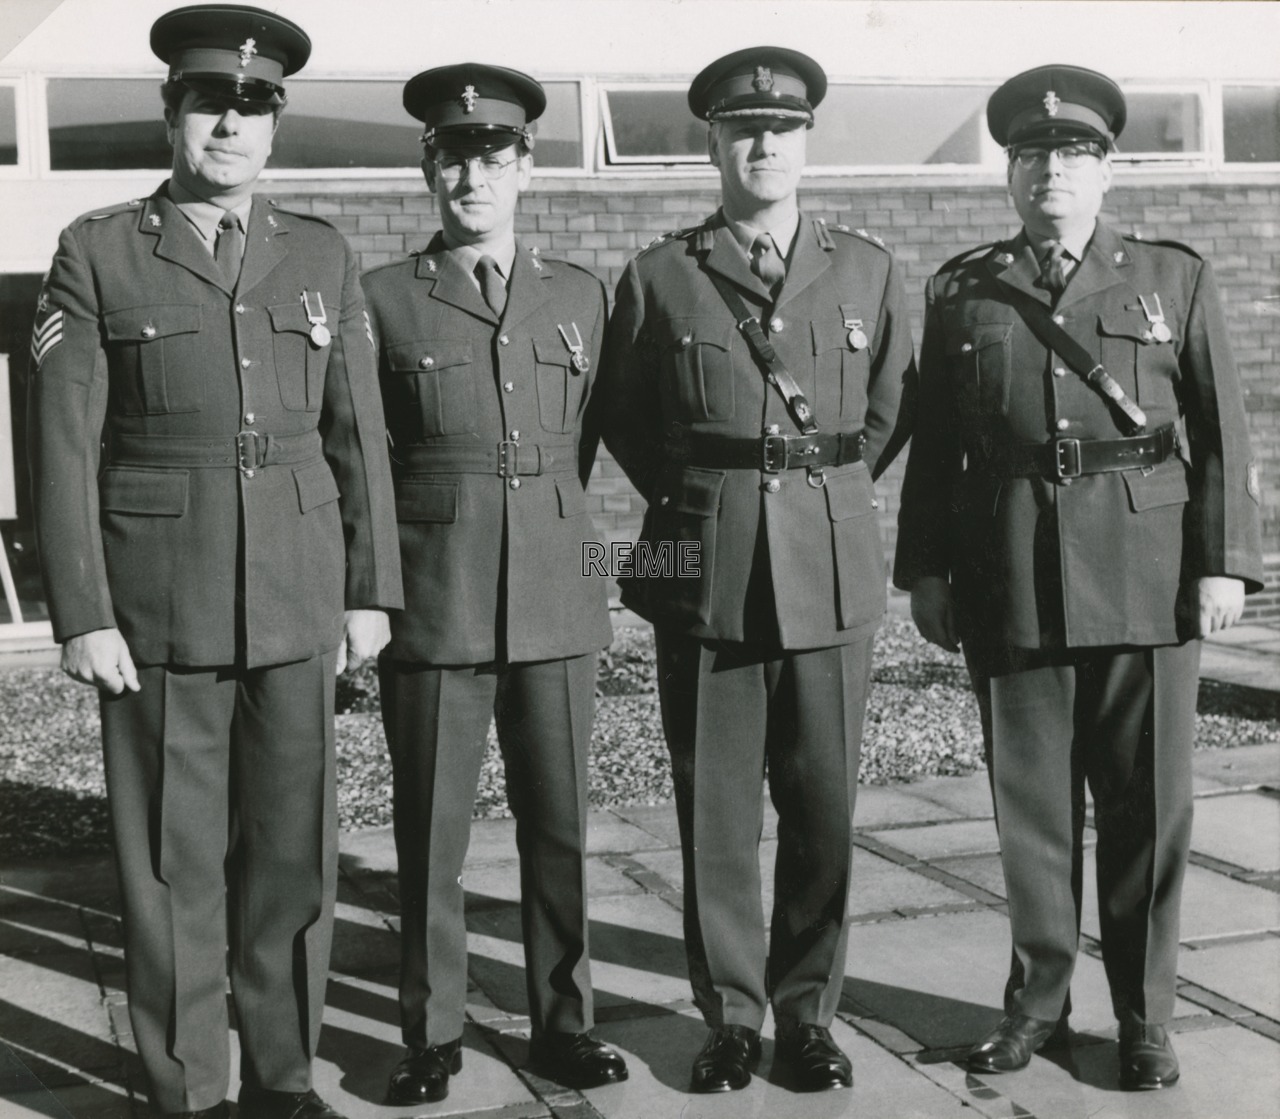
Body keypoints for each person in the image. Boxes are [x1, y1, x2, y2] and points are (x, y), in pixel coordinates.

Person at [25, 6, 403, 1118]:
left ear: (274, 124)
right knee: (170, 869)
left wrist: (369, 589)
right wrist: (82, 612)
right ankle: (186, 1089)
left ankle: (282, 1083)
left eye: (253, 106)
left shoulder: (321, 252)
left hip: (295, 596)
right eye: (210, 103)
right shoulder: (98, 249)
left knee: (291, 864)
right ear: (172, 112)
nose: (230, 124)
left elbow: (357, 436)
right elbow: (61, 446)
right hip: (158, 606)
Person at [894, 64, 1264, 1090]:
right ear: (1006, 176)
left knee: (1147, 810)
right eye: (1028, 156)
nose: (1048, 170)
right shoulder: (961, 290)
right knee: (1031, 814)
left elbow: (1223, 431)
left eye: (1070, 155)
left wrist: (1225, 562)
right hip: (1006, 568)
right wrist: (923, 570)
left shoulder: (1169, 277)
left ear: (1104, 174)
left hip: (1145, 570)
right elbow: (933, 450)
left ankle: (1144, 1016)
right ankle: (1036, 1005)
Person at [598, 46, 915, 1095]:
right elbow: (631, 426)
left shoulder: (864, 267)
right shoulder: (657, 276)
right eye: (742, 129)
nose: (762, 144)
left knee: (822, 808)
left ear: (805, 141)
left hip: (828, 570)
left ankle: (806, 1013)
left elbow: (886, 411)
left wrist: (815, 491)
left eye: (780, 128)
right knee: (715, 814)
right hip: (705, 567)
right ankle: (730, 1013)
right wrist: (713, 498)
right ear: (713, 144)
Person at [361, 64, 627, 1105]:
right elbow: (369, 462)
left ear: (525, 168)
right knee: (431, 830)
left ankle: (565, 1021)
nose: (472, 176)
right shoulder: (384, 298)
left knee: (558, 823)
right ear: (428, 169)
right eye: (452, 157)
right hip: (436, 595)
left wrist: (590, 558)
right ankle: (428, 1029)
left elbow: (586, 444)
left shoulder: (579, 295)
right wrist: (374, 598)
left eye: (492, 157)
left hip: (557, 593)